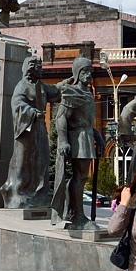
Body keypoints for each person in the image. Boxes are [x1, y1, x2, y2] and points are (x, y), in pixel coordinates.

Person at [0, 55, 61, 209]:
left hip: (40, 128)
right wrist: (32, 112)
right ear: (30, 69)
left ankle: (39, 192)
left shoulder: (41, 86)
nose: (42, 70)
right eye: (39, 67)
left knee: (42, 159)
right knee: (23, 161)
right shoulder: (22, 85)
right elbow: (17, 103)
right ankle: (18, 191)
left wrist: (72, 80)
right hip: (26, 130)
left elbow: (55, 91)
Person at [50, 56, 104, 229]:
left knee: (82, 177)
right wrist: (64, 141)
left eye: (90, 71)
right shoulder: (72, 92)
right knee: (80, 177)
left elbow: (86, 121)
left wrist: (98, 136)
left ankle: (73, 212)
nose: (88, 75)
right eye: (84, 71)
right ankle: (78, 215)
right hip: (77, 138)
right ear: (77, 73)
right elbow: (61, 118)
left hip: (86, 135)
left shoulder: (88, 93)